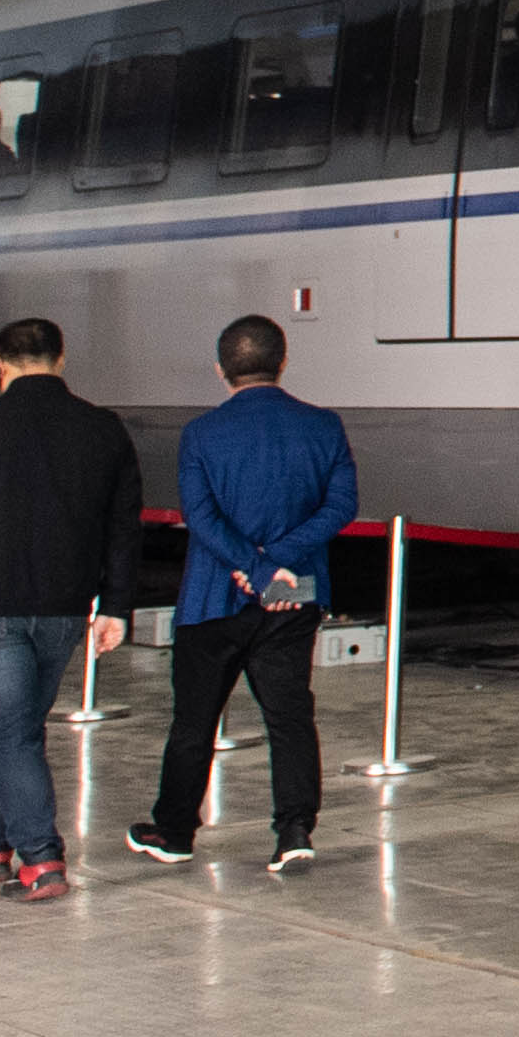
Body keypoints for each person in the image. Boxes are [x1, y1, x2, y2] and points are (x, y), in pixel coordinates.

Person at [0, 318, 138, 899]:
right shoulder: (103, 428)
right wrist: (115, 606)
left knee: (12, 736)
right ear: (61, 360)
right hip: (64, 603)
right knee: (19, 731)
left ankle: (41, 857)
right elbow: (122, 527)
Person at [131, 312, 354, 875]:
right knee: (290, 717)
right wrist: (276, 562)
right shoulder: (324, 426)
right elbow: (341, 506)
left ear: (220, 370)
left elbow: (200, 516)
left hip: (213, 598)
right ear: (283, 362)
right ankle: (294, 830)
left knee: (194, 720)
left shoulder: (201, 433)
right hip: (293, 593)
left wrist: (252, 567)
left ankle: (175, 833)